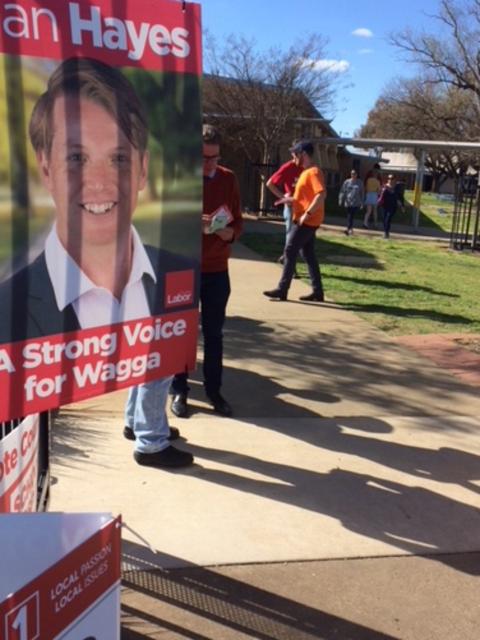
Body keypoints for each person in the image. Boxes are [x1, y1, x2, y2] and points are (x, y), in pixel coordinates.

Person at [0, 57, 197, 467]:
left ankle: (137, 421)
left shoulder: (176, 274)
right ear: (44, 168)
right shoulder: (9, 307)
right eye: (76, 158)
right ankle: (147, 435)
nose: (100, 182)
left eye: (119, 158)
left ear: (143, 168)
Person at [169, 125, 243, 419]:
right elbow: (165, 221)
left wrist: (229, 233)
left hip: (216, 270)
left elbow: (238, 222)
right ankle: (180, 391)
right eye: (203, 157)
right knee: (181, 335)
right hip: (184, 268)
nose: (209, 164)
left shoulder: (228, 179)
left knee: (214, 334)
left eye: (214, 157)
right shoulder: (180, 179)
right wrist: (190, 223)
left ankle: (214, 391)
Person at [263, 140, 325, 302]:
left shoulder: (313, 172)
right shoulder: (306, 172)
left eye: (295, 153)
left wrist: (307, 213)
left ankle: (282, 290)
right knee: (308, 254)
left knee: (290, 250)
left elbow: (321, 195)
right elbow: (308, 196)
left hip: (306, 221)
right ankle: (318, 292)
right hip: (305, 218)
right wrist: (291, 199)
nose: (293, 156)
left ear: (303, 154)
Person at [266, 150, 303, 274]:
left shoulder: (307, 167)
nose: (301, 158)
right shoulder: (288, 167)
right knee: (291, 236)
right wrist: (283, 197)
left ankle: (285, 257)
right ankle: (290, 266)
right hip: (291, 207)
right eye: (298, 155)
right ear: (294, 154)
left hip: (304, 207)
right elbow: (270, 184)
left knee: (301, 237)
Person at [338, 169, 364, 235]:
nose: (353, 175)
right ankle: (349, 229)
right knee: (350, 215)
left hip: (356, 202)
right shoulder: (347, 182)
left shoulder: (359, 182)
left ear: (356, 175)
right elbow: (342, 191)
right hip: (348, 202)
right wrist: (340, 199)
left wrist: (362, 202)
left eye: (354, 174)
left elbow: (362, 193)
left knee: (351, 215)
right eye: (352, 174)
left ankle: (349, 229)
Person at [378, 174, 398, 239]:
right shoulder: (384, 187)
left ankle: (386, 233)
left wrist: (402, 205)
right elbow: (380, 195)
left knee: (388, 219)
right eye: (389, 178)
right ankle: (386, 232)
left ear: (394, 180)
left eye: (392, 179)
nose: (390, 180)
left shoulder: (396, 188)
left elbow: (399, 197)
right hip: (384, 206)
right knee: (384, 220)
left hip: (392, 207)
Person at [363, 164, 382, 228]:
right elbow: (379, 190)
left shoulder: (368, 179)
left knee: (368, 211)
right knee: (375, 211)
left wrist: (365, 193)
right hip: (374, 195)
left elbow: (365, 185)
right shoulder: (378, 181)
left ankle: (365, 223)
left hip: (368, 194)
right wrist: (379, 195)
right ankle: (375, 224)